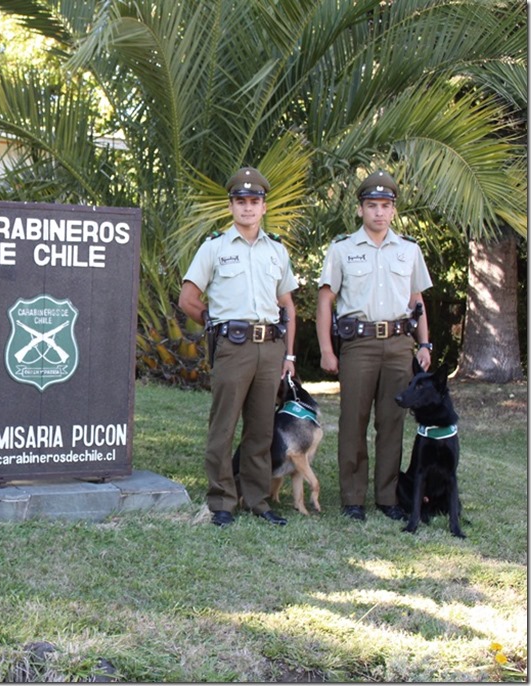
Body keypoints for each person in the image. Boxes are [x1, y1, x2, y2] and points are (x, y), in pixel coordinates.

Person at [178, 167, 298, 527]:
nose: (248, 208)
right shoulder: (214, 247)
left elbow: (287, 305)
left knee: (261, 428)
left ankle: (258, 499)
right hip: (233, 347)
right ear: (231, 206)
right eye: (241, 201)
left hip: (270, 348)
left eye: (254, 201)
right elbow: (188, 298)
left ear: (264, 207)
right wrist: (216, 325)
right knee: (224, 426)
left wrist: (289, 355)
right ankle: (222, 501)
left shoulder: (277, 250)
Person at [315, 170, 433, 522]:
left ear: (393, 210)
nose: (378, 212)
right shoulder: (342, 249)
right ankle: (353, 497)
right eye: (372, 206)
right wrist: (325, 349)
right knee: (354, 421)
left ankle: (387, 496)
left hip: (399, 344)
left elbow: (417, 300)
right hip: (359, 344)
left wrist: (424, 344)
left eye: (385, 206)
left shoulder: (409, 250)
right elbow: (325, 301)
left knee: (392, 421)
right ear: (360, 209)